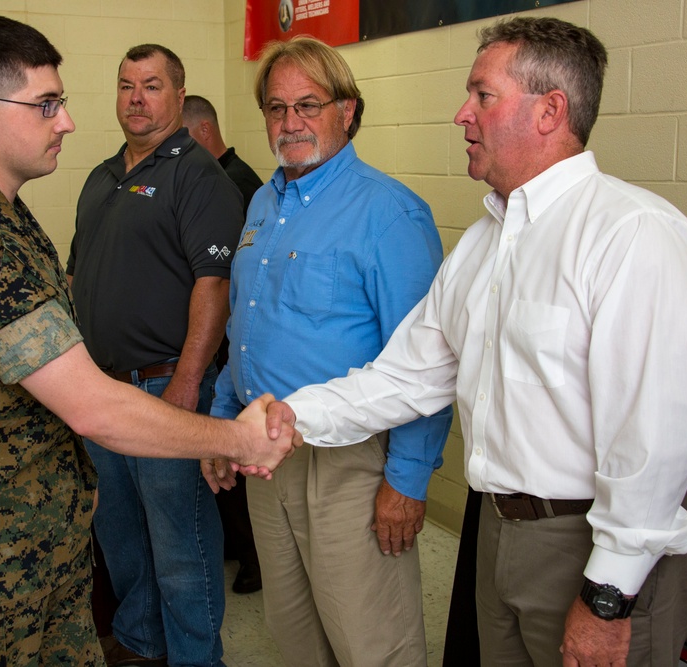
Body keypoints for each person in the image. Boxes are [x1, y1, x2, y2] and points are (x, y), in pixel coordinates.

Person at [265, 16, 687, 666]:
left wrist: (609, 595)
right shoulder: (484, 245)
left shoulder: (631, 236)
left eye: (483, 95)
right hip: (500, 533)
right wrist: (288, 417)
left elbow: (655, 443)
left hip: (597, 544)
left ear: (549, 111)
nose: (461, 115)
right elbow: (405, 376)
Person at [0, 15, 299, 667]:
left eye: (62, 102)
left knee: (180, 554)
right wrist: (239, 438)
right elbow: (91, 405)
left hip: (35, 539)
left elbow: (205, 287)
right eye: (46, 104)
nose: (66, 120)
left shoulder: (0, 215)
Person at [207, 36, 453, 667]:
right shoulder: (265, 203)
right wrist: (219, 425)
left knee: (372, 642)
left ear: (347, 110)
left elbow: (428, 363)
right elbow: (247, 323)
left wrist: (407, 480)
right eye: (276, 107)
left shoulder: (389, 214)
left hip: (350, 463)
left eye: (308, 105)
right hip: (267, 453)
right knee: (295, 635)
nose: (290, 122)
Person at [67, 45, 243, 667]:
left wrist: (188, 383)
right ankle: (142, 649)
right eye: (125, 85)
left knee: (181, 546)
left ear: (177, 94)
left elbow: (213, 285)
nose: (136, 98)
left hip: (165, 386)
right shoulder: (100, 177)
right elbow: (78, 275)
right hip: (104, 395)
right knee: (121, 541)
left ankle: (197, 658)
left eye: (151, 85)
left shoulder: (198, 176)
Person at [181, 93, 265, 596]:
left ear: (202, 133)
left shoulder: (234, 184)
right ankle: (243, 549)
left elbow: (232, 281)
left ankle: (251, 556)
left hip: (232, 347)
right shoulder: (234, 182)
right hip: (229, 348)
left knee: (230, 457)